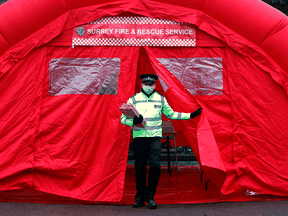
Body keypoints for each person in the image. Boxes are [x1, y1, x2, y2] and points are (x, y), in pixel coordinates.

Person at [120, 74, 202, 209]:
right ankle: (139, 198)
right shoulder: (133, 99)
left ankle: (150, 196)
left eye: (151, 84)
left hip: (155, 138)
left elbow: (171, 114)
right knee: (139, 169)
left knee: (156, 166)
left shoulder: (161, 99)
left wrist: (190, 115)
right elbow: (122, 119)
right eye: (146, 84)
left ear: (155, 85)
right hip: (139, 138)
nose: (148, 86)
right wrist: (133, 121)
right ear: (141, 85)